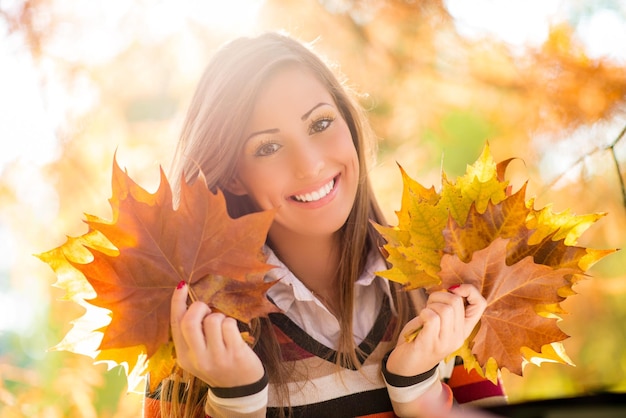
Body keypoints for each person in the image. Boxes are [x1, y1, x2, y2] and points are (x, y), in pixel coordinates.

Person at [143, 32, 506, 418]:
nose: (310, 164)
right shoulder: (193, 332)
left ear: (348, 124)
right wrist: (238, 402)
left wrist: (419, 394)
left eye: (320, 123)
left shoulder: (449, 295)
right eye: (268, 147)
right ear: (233, 175)